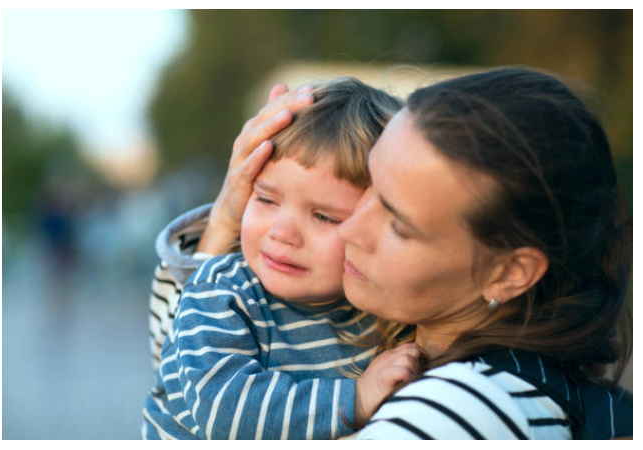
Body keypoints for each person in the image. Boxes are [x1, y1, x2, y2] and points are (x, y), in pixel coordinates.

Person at [148, 67, 632, 439]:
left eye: (398, 222)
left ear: (509, 273)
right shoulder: (403, 329)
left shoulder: (454, 414)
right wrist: (227, 223)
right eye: (369, 191)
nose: (353, 229)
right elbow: (182, 372)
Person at [142, 78, 424, 440]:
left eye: (324, 216)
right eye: (266, 199)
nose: (282, 232)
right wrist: (356, 398)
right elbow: (223, 411)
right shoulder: (221, 291)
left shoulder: (381, 313)